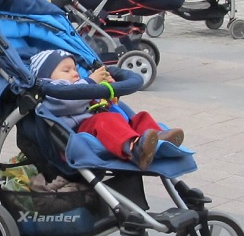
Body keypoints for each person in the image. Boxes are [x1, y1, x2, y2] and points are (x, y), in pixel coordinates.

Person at [30, 50, 183, 171]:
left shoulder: (78, 86)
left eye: (75, 69)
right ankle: (135, 149)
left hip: (97, 122)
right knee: (106, 120)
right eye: (66, 70)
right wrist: (91, 83)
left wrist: (107, 92)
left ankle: (159, 139)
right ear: (46, 77)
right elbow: (70, 101)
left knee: (139, 117)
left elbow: (94, 101)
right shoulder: (52, 92)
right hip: (78, 131)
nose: (75, 73)